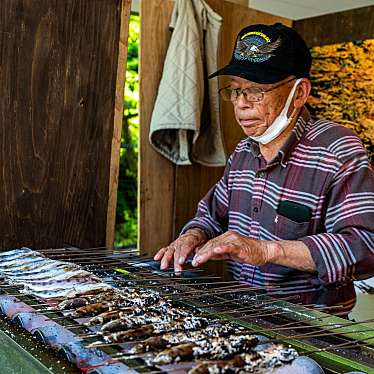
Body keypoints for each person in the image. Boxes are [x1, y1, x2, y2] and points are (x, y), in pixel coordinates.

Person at [154, 23, 374, 315]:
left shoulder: (338, 150)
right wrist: (193, 235)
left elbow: (365, 246)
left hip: (311, 332)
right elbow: (211, 215)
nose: (241, 105)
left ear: (299, 93)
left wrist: (267, 250)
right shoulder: (244, 152)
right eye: (234, 90)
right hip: (243, 318)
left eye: (256, 90)